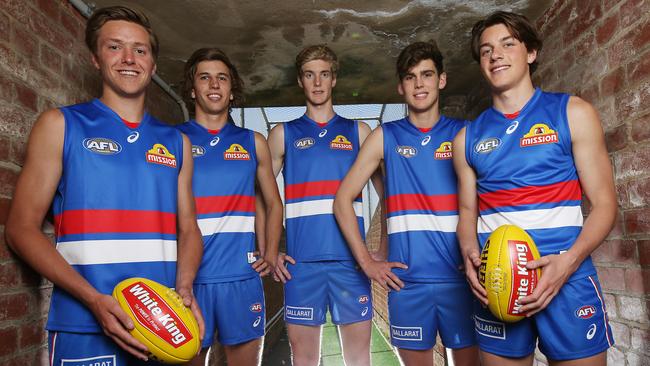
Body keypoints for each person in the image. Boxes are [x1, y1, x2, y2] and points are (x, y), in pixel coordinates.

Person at [5, 6, 204, 365]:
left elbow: (188, 228)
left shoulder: (177, 142)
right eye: (115, 47)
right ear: (95, 58)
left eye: (140, 50)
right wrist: (93, 300)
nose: (129, 58)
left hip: (159, 328)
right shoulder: (61, 125)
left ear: (153, 64)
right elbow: (21, 229)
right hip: (84, 325)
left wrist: (184, 291)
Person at [453, 11, 617, 366]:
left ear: (531, 53)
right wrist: (469, 254)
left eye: (507, 44)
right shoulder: (467, 138)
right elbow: (467, 214)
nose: (495, 54)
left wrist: (569, 263)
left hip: (567, 275)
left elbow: (605, 205)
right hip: (497, 283)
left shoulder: (573, 112)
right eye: (485, 50)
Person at [334, 41, 479, 366]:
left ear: (441, 79)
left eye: (427, 75)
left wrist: (478, 249)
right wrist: (368, 262)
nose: (419, 84)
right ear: (401, 86)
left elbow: (488, 196)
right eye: (411, 77)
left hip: (461, 280)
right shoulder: (385, 136)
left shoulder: (465, 133)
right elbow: (342, 200)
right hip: (407, 284)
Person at [267, 44, 378, 366]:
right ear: (300, 81)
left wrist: (381, 248)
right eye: (309, 75)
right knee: (304, 359)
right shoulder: (282, 134)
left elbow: (390, 195)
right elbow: (259, 196)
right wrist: (268, 248)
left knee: (359, 358)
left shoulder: (359, 131)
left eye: (324, 75)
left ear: (334, 80)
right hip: (301, 267)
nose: (317, 83)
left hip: (351, 264)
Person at [178, 47, 283, 366]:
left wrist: (270, 251)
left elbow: (273, 204)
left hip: (241, 278)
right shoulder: (172, 139)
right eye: (205, 77)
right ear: (192, 89)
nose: (213, 85)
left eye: (222, 78)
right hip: (188, 281)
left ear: (232, 89)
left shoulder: (253, 142)